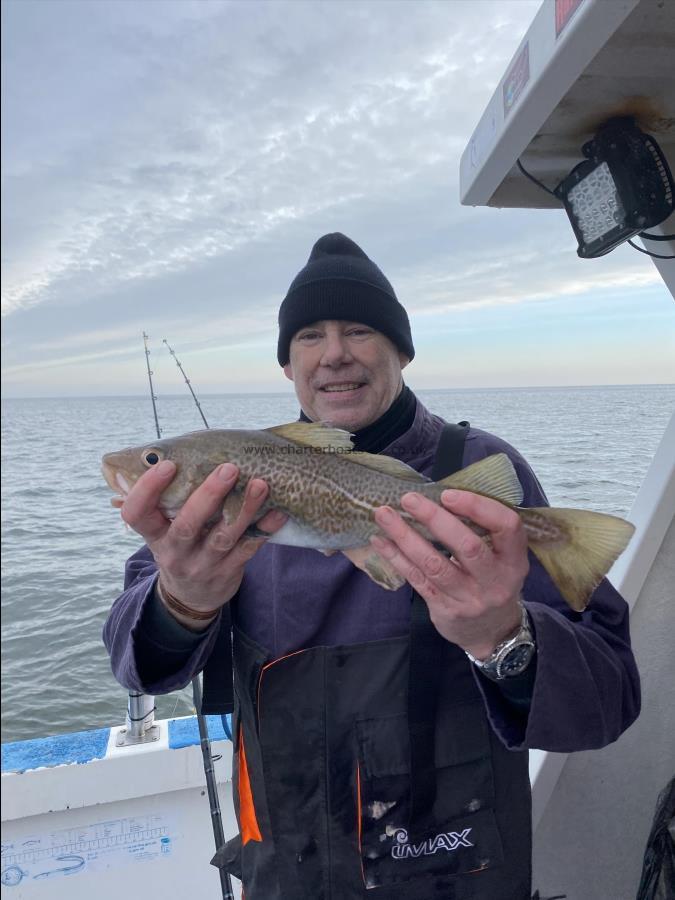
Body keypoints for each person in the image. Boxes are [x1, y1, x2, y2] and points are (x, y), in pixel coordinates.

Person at [103, 233, 640, 900]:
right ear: (286, 365)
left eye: (358, 329)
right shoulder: (227, 491)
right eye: (308, 336)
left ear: (400, 350)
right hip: (285, 871)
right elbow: (138, 664)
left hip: (456, 872)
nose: (334, 353)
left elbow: (606, 703)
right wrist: (180, 600)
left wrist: (506, 638)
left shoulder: (478, 476)